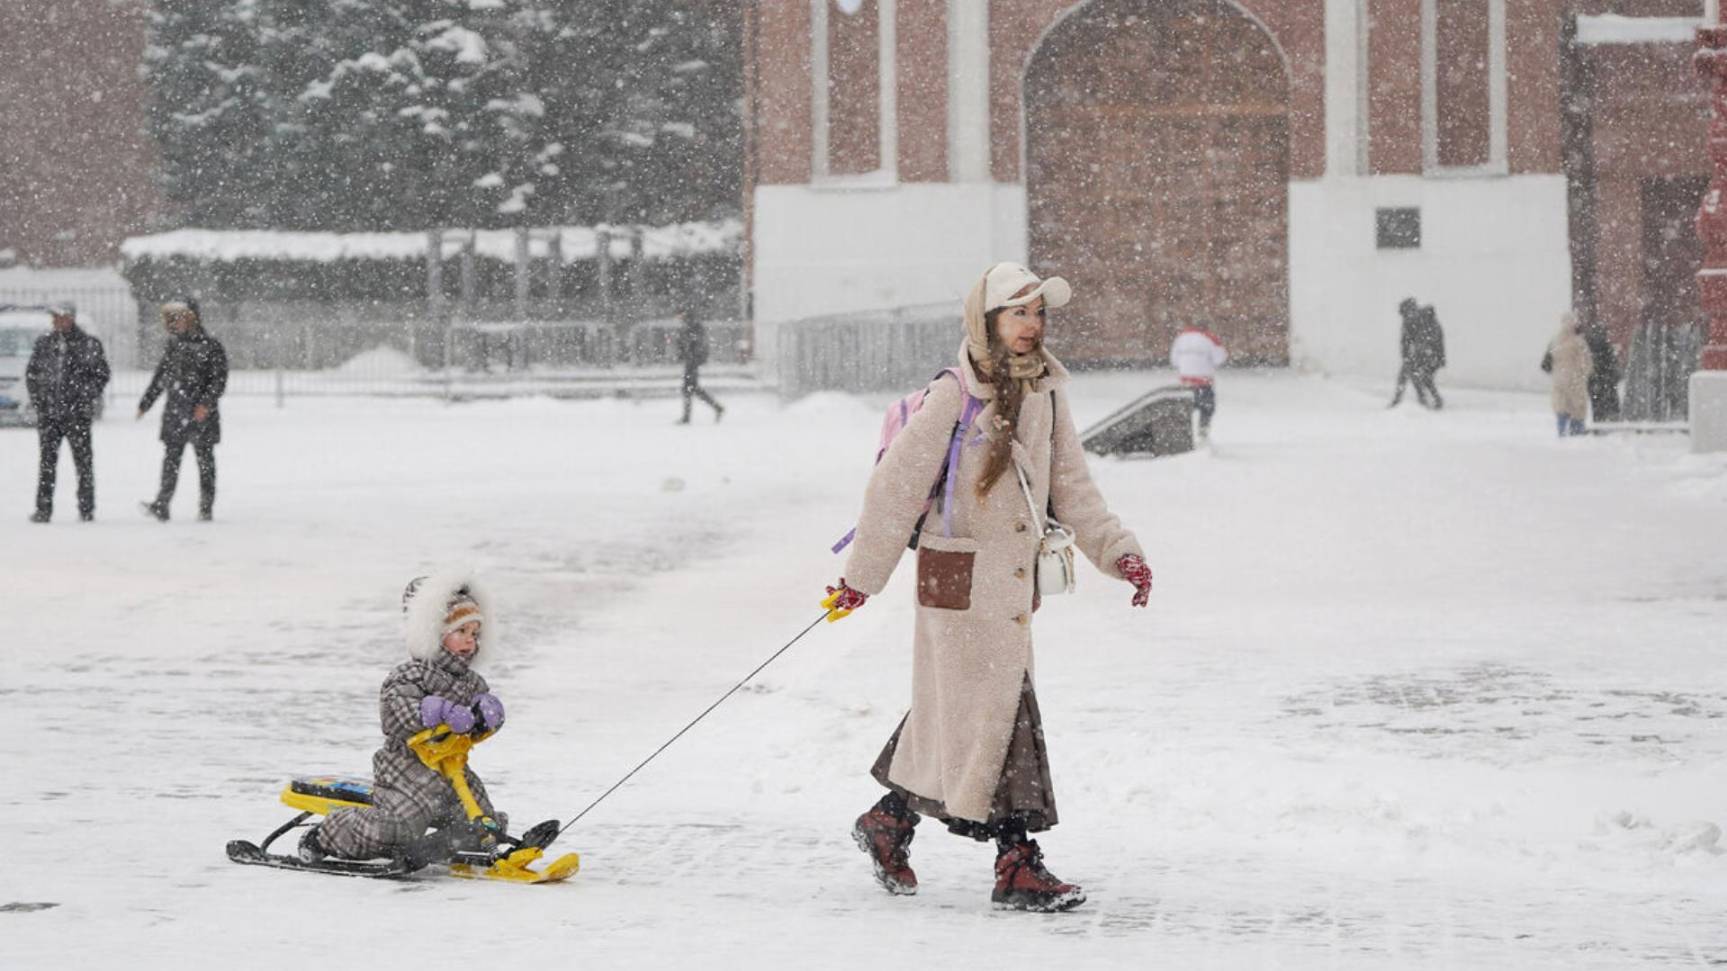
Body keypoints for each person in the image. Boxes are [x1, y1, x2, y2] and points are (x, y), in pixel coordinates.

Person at [824, 262, 1154, 913]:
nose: (1031, 325)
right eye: (1017, 312)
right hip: (955, 583)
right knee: (1000, 711)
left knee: (963, 712)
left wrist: (1120, 553)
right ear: (986, 321)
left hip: (1006, 590)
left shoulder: (1046, 394)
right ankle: (1016, 862)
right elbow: (894, 489)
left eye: (1038, 313)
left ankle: (890, 819)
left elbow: (1073, 488)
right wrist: (860, 578)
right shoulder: (955, 394)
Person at [299, 574, 511, 868]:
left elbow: (475, 724)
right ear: (434, 632)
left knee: (482, 821)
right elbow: (394, 712)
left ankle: (457, 844)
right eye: (460, 630)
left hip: (452, 771)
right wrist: (433, 711)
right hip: (407, 769)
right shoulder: (410, 674)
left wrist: (488, 716)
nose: (469, 640)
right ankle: (325, 835)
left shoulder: (472, 682)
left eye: (475, 633)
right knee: (395, 827)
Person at [138, 298, 228, 521]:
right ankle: (162, 504)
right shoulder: (174, 346)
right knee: (171, 460)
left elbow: (218, 380)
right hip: (176, 412)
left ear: (192, 318)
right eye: (172, 318)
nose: (175, 323)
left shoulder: (211, 346)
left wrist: (205, 404)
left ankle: (206, 507)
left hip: (200, 414)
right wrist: (145, 403)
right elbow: (161, 377)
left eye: (180, 317)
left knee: (205, 462)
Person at [26, 303, 109, 522]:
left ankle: (86, 507)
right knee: (47, 464)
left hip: (77, 415)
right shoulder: (44, 343)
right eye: (54, 318)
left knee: (83, 463)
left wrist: (84, 396)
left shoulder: (89, 344)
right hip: (50, 415)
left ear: (70, 318)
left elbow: (101, 375)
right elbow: (32, 374)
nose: (56, 321)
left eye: (60, 317)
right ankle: (43, 509)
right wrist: (40, 402)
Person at [1169, 323, 1227, 442]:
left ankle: (1183, 434)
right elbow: (1220, 358)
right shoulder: (1210, 338)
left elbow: (1174, 360)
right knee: (1207, 408)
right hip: (1203, 380)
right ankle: (1203, 431)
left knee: (1185, 409)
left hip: (1185, 381)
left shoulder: (1181, 338)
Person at [1388, 298, 1445, 409]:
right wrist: (1406, 357)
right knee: (1408, 372)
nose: (1405, 317)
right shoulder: (1408, 323)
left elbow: (1432, 340)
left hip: (1433, 354)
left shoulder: (1427, 319)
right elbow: (1404, 343)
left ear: (1413, 310)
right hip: (1420, 354)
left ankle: (1427, 400)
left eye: (1407, 313)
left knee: (1423, 376)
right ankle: (1399, 399)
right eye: (1404, 315)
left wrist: (1423, 352)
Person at [1545, 311, 1593, 437]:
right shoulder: (1579, 342)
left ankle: (1562, 429)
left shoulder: (1555, 340)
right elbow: (1586, 362)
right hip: (1575, 378)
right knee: (1578, 405)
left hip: (1559, 377)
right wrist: (1585, 373)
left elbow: (1548, 361)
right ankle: (1576, 430)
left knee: (1561, 404)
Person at [674, 307, 723, 424]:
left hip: (693, 360)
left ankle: (687, 417)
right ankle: (717, 408)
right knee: (693, 388)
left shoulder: (692, 325)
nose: (677, 318)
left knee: (689, 388)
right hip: (692, 360)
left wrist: (691, 355)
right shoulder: (689, 324)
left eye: (678, 315)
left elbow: (695, 343)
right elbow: (685, 343)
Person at [1583, 325, 1622, 423]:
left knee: (1596, 406)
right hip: (1608, 381)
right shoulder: (1607, 346)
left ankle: (1598, 423)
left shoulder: (1589, 346)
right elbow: (1614, 365)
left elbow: (1587, 365)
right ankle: (1611, 422)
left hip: (1595, 381)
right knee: (1611, 405)